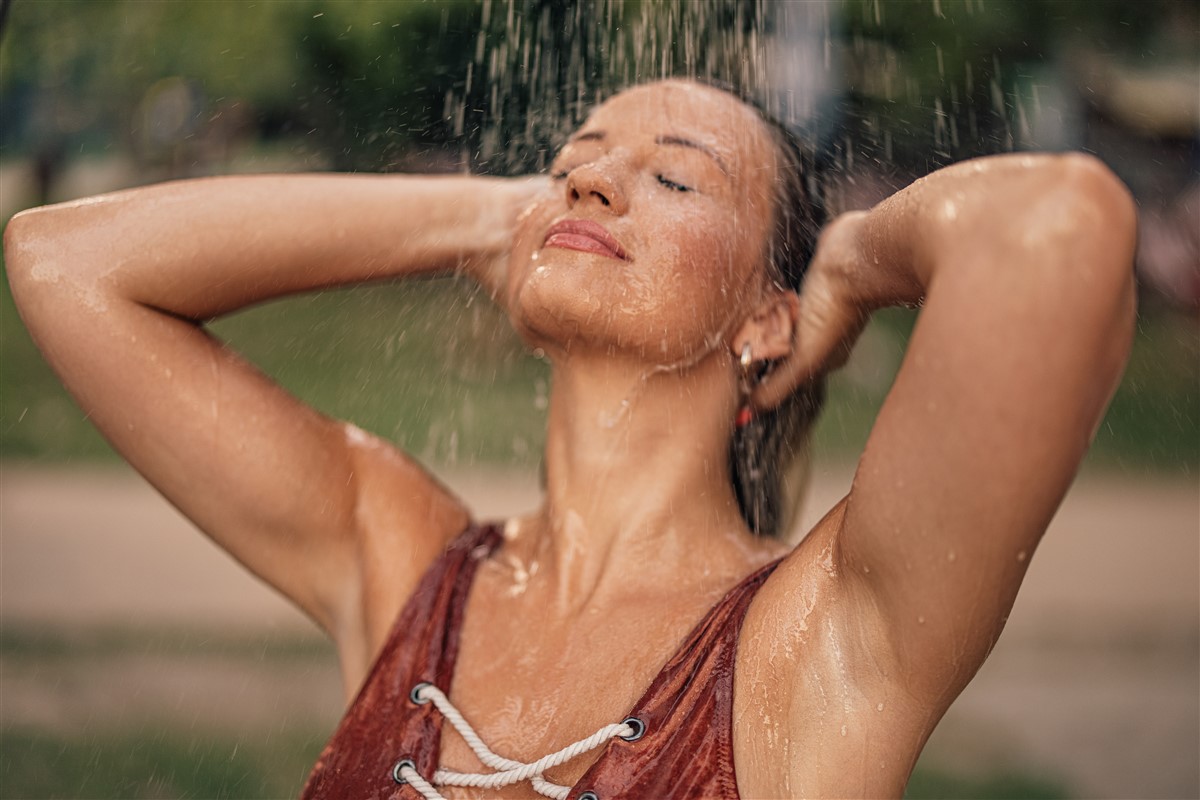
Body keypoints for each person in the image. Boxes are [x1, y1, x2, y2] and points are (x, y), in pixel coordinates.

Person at [4, 80, 1136, 798]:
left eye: (677, 174)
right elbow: (66, 264)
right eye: (573, 161)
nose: (591, 178)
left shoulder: (818, 638)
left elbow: (1059, 230)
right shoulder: (408, 567)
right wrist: (495, 216)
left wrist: (849, 265)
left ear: (763, 316)